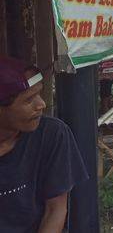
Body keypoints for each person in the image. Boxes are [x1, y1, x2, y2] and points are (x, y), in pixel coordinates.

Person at [0, 58, 88, 232]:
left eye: (39, 94)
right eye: (28, 100)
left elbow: (55, 209)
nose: (41, 104)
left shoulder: (51, 134)